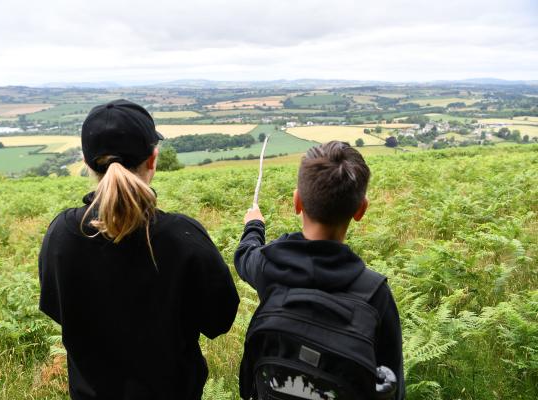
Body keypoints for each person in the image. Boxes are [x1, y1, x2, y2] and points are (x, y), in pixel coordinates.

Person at [38, 99, 240, 400]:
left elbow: (56, 307)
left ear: (86, 161)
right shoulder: (184, 237)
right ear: (153, 159)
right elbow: (219, 319)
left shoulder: (62, 235)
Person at [235, 141, 404, 400]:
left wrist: (254, 225)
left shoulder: (269, 267)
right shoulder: (376, 294)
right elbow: (392, 384)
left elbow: (243, 257)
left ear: (297, 201)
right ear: (361, 209)